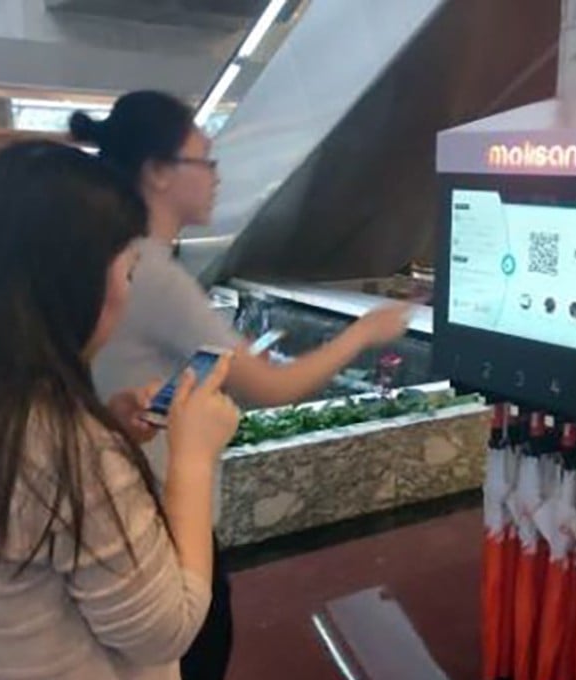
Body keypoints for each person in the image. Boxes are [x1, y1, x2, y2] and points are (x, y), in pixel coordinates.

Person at [70, 91, 411, 679]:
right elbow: (273, 388)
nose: (216, 176)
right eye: (204, 161)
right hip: (162, 513)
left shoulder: (127, 260)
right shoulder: (153, 272)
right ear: (158, 172)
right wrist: (364, 332)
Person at [0, 141, 241, 680]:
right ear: (74, 281)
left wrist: (112, 432)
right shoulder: (69, 448)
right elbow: (169, 629)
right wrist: (192, 459)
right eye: (127, 273)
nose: (127, 294)